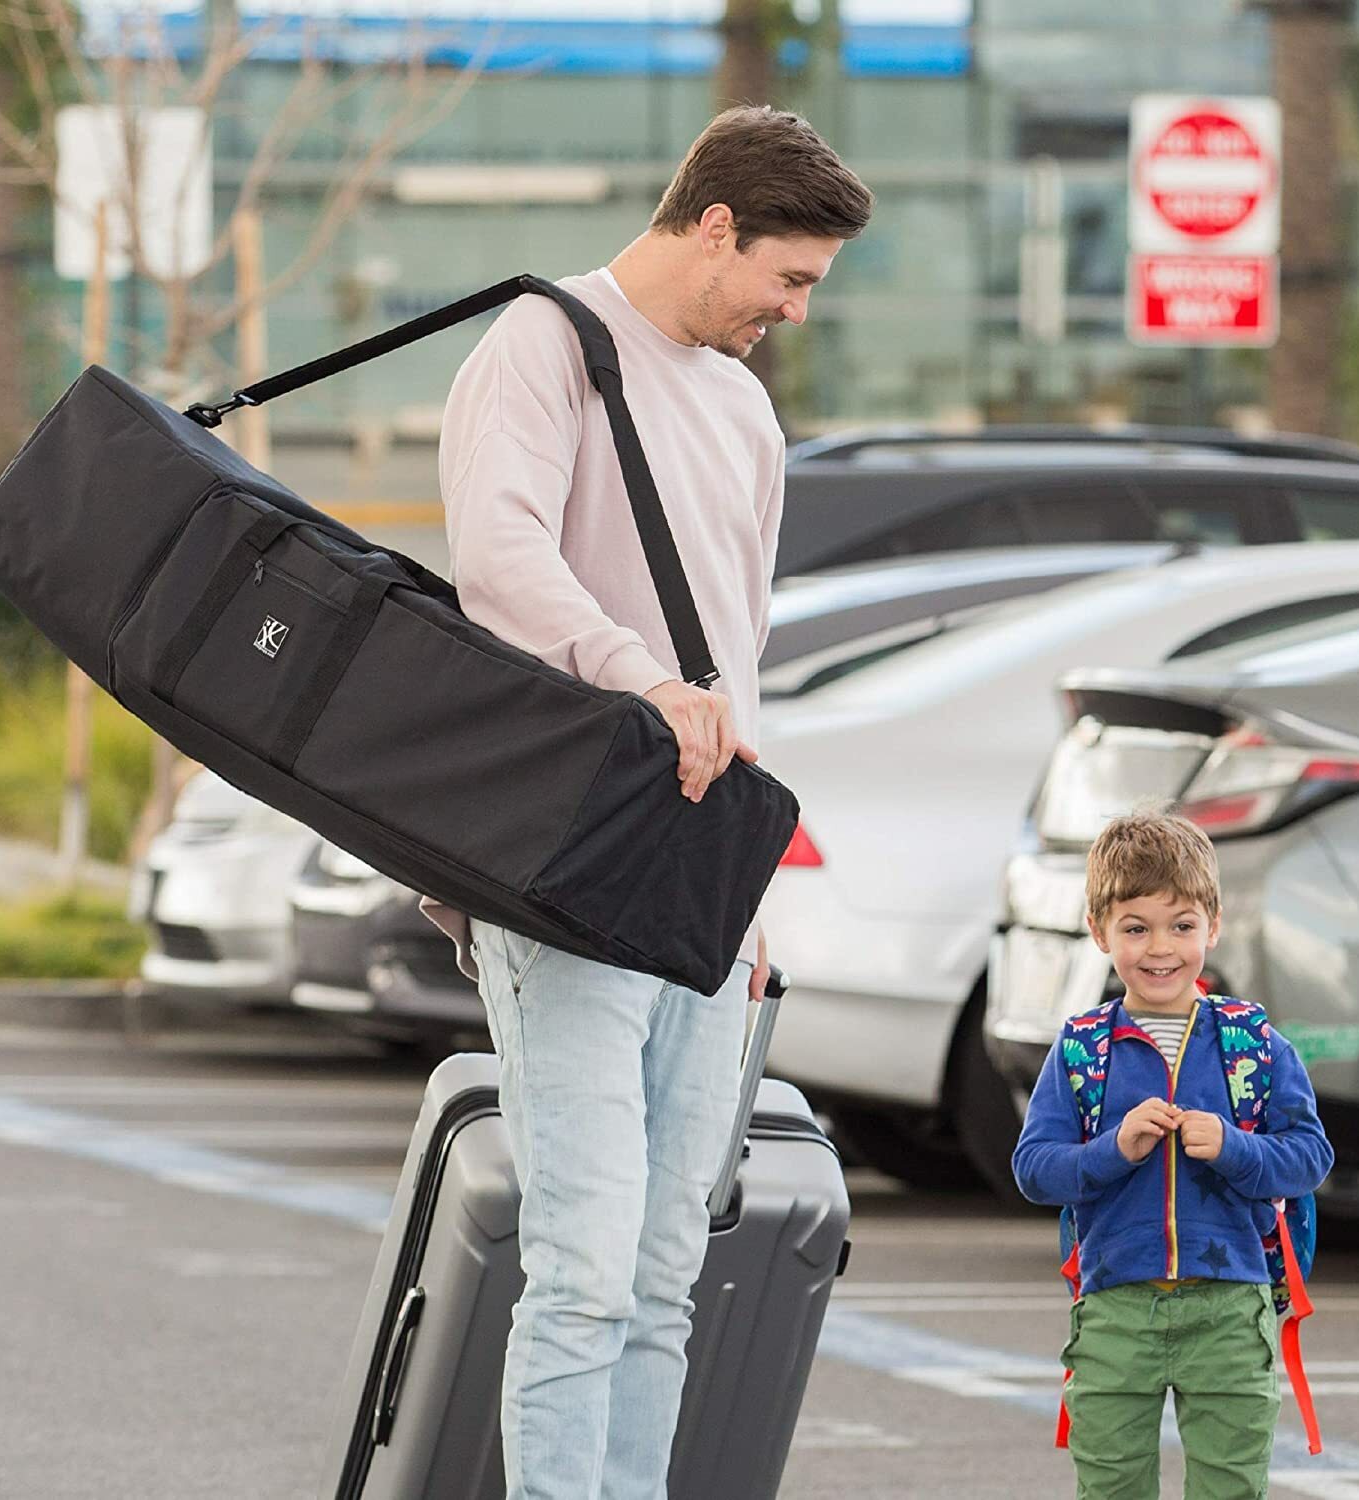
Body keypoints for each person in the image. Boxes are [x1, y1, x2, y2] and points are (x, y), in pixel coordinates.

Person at [416, 106, 873, 1499]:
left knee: (668, 1271)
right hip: (571, 864)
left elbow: (738, 656)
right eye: (787, 279)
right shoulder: (543, 346)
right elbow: (498, 562)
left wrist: (750, 892)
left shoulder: (742, 403)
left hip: (703, 888)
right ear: (714, 225)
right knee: (583, 1266)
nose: (793, 313)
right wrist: (639, 681)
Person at [1012, 806, 1333, 1500]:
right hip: (1115, 1306)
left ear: (1212, 926)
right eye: (1136, 927)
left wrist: (1235, 1149)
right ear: (1100, 932)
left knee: (1230, 1487)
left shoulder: (1254, 1045)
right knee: (1111, 1487)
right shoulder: (1081, 1050)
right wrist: (1113, 1150)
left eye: (1181, 925)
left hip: (1230, 1305)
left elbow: (1310, 1156)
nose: (1161, 948)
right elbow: (1034, 1168)